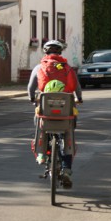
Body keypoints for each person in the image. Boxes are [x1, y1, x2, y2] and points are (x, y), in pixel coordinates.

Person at [27, 40, 82, 188]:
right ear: (60, 53)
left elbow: (31, 87)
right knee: (68, 133)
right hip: (65, 113)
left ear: (45, 52)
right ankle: (66, 169)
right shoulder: (67, 68)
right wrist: (79, 99)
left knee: (40, 125)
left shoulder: (39, 67)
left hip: (46, 113)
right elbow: (77, 87)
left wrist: (32, 99)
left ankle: (42, 154)